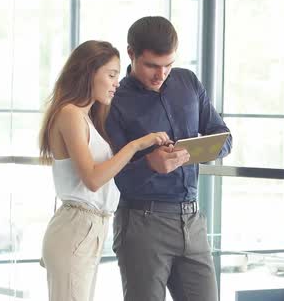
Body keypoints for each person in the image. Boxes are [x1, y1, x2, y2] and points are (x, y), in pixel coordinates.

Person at [106, 16, 233, 301]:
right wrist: (150, 164)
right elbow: (113, 176)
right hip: (142, 222)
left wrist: (201, 149)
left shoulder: (187, 81)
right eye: (152, 65)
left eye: (168, 65)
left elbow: (224, 137)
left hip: (192, 220)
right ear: (131, 53)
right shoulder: (115, 99)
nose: (161, 74)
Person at [39, 40, 171, 301]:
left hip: (90, 228)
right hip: (76, 229)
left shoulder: (87, 117)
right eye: (111, 75)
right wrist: (136, 145)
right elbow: (92, 178)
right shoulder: (70, 114)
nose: (116, 83)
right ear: (89, 73)